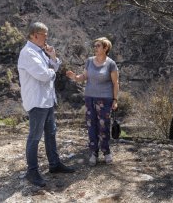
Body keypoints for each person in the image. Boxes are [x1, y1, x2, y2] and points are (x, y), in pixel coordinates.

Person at [18, 22, 75, 187]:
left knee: (51, 133)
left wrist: (53, 57)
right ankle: (32, 172)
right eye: (44, 35)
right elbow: (44, 75)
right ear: (34, 35)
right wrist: (52, 71)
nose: (46, 38)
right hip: (36, 102)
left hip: (47, 100)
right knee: (34, 137)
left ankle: (54, 164)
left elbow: (54, 66)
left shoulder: (40, 52)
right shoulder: (28, 53)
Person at [66, 37, 119, 166]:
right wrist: (75, 77)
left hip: (105, 99)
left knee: (104, 126)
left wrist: (115, 100)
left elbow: (115, 83)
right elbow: (84, 77)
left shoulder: (111, 64)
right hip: (90, 98)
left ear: (106, 48)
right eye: (94, 46)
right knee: (91, 126)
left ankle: (106, 152)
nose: (95, 48)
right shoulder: (89, 61)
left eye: (98, 46)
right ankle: (93, 153)